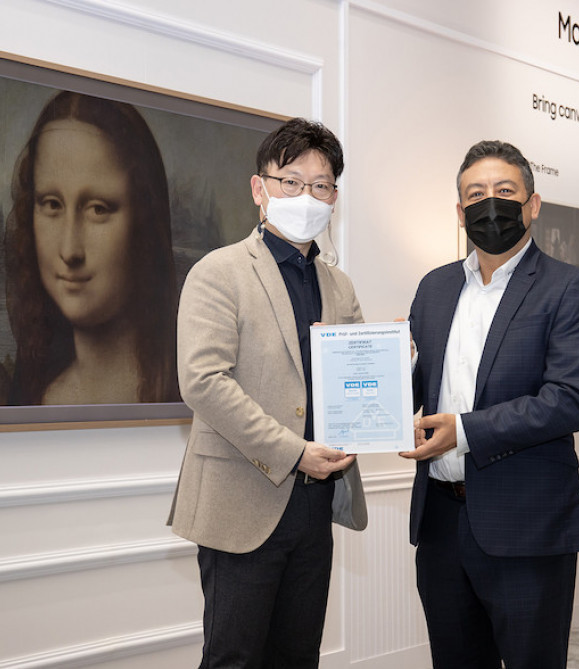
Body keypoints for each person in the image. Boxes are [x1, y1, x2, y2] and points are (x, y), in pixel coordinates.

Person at [401, 140, 579, 668]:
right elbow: (419, 386)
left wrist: (465, 431)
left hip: (528, 527)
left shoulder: (571, 287)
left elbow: (574, 399)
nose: (489, 203)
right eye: (475, 194)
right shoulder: (434, 287)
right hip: (441, 525)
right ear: (459, 211)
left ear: (532, 204)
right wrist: (366, 369)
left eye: (504, 190)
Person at [167, 117, 368, 668]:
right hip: (242, 499)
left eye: (321, 185)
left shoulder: (339, 285)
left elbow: (353, 378)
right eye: (291, 182)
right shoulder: (219, 272)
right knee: (233, 658)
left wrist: (397, 363)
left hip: (316, 501)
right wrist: (294, 451)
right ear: (260, 189)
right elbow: (204, 381)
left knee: (299, 656)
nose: (307, 197)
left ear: (334, 197)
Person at [5, 91, 180, 405]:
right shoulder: (39, 398)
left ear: (142, 222)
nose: (70, 250)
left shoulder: (181, 389)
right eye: (52, 204)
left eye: (98, 209)